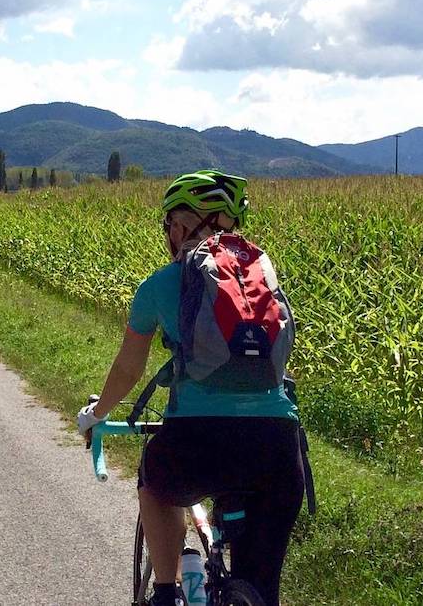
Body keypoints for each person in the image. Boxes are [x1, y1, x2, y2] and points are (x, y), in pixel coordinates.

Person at [78, 170, 305, 606]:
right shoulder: (261, 281)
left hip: (197, 445)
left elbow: (128, 367)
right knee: (260, 593)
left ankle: (165, 591)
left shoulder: (161, 284)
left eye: (168, 226)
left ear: (181, 227)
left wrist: (97, 414)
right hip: (278, 448)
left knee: (155, 483)